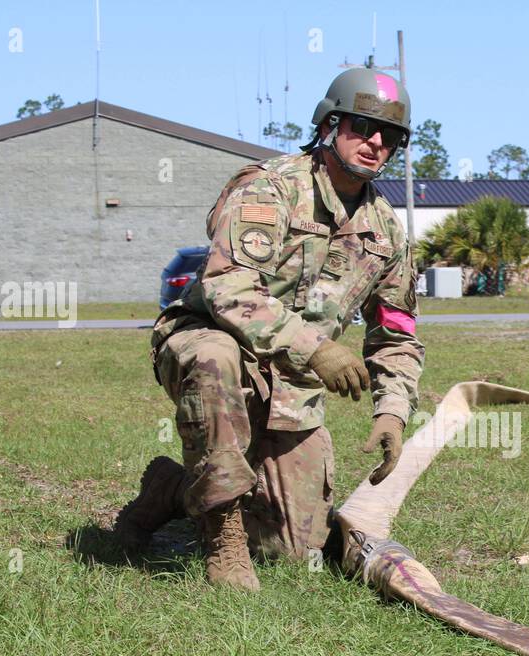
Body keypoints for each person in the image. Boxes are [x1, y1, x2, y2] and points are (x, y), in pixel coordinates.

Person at [114, 68, 425, 590]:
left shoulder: (387, 231)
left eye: (389, 135)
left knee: (290, 547)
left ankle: (169, 489)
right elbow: (228, 288)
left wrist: (392, 412)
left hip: (288, 389)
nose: (375, 142)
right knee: (216, 357)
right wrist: (316, 349)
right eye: (362, 126)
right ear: (330, 122)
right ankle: (223, 540)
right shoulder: (271, 188)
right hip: (207, 343)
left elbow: (396, 330)